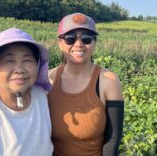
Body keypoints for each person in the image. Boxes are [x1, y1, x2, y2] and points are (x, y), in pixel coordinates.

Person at [48, 12, 124, 156]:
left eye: (86, 38)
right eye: (70, 39)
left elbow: (113, 138)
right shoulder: (49, 79)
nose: (78, 44)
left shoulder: (108, 81)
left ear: (94, 42)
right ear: (59, 42)